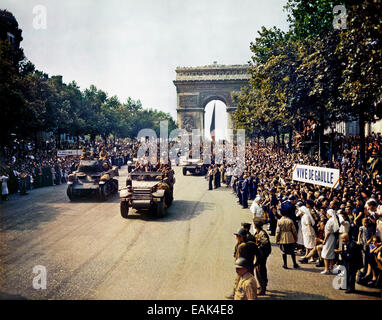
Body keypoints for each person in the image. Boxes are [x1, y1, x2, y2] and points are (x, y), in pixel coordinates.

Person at [253, 217, 271, 295]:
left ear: (255, 225)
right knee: (259, 270)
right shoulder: (258, 232)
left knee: (260, 271)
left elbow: (265, 242)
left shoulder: (262, 233)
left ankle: (262, 288)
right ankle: (262, 285)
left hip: (262, 255)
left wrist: (259, 246)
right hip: (261, 254)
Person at [321, 209, 340, 274]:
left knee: (325, 253)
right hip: (333, 237)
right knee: (331, 253)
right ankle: (331, 268)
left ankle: (326, 269)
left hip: (329, 238)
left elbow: (328, 232)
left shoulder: (330, 221)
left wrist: (324, 240)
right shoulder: (334, 220)